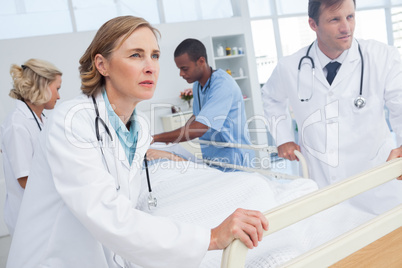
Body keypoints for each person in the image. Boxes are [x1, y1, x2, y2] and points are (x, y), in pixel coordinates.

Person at [6, 16, 268, 268]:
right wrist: (210, 237)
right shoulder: (71, 121)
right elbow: (106, 212)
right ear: (102, 64)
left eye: (154, 55)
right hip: (53, 258)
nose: (150, 66)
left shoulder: (138, 126)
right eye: (136, 55)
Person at [261, 0, 402, 214]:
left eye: (350, 17)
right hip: (323, 187)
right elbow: (271, 98)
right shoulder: (290, 67)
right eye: (334, 19)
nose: (346, 28)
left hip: (377, 188)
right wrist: (283, 138)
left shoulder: (383, 57)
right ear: (313, 24)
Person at [152, 38, 254, 168]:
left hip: (235, 160)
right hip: (214, 159)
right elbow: (197, 116)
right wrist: (171, 138)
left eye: (184, 68)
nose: (181, 74)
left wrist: (156, 138)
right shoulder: (198, 86)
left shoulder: (223, 85)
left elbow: (198, 129)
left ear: (201, 61)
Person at [0, 59, 62, 236]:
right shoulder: (17, 124)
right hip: (28, 217)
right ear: (42, 86)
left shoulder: (41, 118)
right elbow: (25, 180)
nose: (59, 96)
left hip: (42, 212)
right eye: (57, 89)